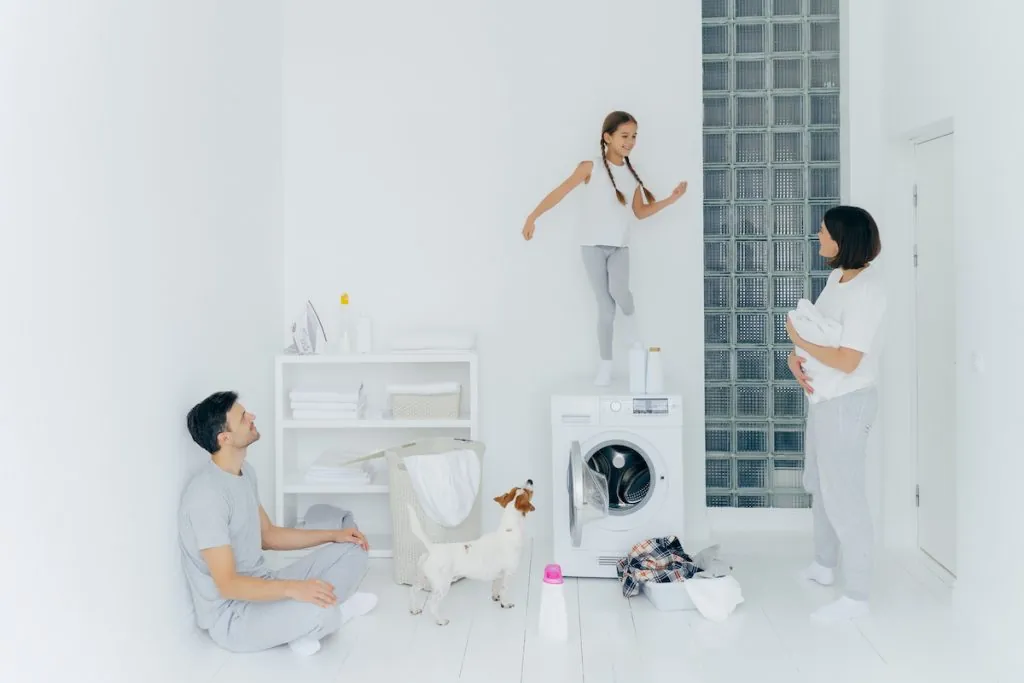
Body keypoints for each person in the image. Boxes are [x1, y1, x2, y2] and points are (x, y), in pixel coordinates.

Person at [178, 391, 377, 655]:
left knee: (354, 548)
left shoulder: (244, 473)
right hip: (234, 616)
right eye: (242, 417)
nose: (252, 417)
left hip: (264, 583)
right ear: (224, 438)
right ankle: (331, 613)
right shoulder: (207, 495)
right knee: (320, 611)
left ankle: (306, 622)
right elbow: (228, 585)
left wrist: (335, 535)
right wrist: (294, 589)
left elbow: (268, 536)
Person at [522, 110, 688, 386]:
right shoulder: (590, 167)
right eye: (624, 136)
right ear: (607, 137)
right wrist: (533, 216)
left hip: (619, 247)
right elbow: (560, 191)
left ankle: (631, 327)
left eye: (634, 136)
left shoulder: (633, 176)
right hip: (592, 247)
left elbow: (640, 212)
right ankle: (605, 365)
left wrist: (670, 200)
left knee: (620, 292)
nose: (630, 142)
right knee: (605, 306)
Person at [786, 205, 886, 624]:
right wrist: (796, 359)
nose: (818, 236)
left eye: (824, 232)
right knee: (820, 484)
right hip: (824, 399)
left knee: (845, 496)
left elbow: (847, 360)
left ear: (844, 239)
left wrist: (797, 338)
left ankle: (857, 598)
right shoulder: (837, 278)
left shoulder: (868, 291)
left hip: (847, 402)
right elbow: (821, 333)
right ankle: (824, 565)